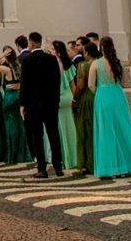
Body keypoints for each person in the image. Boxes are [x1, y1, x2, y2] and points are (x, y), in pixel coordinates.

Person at [88, 36, 131, 178]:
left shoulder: (96, 64)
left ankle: (109, 167)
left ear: (101, 48)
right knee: (122, 129)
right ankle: (126, 164)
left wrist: (99, 92)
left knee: (105, 131)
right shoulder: (117, 63)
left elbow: (90, 85)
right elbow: (122, 82)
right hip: (117, 95)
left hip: (103, 96)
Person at [16, 32, 65, 178]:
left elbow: (25, 84)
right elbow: (56, 82)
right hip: (50, 103)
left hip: (33, 105)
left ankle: (42, 168)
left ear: (31, 43)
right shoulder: (51, 59)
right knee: (53, 134)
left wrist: (22, 104)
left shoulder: (27, 61)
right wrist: (56, 101)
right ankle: (58, 166)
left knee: (37, 136)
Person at [72, 37, 98, 177]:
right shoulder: (100, 63)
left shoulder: (83, 65)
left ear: (86, 53)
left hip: (86, 99)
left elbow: (80, 86)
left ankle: (85, 162)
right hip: (98, 98)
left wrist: (75, 99)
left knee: (84, 131)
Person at [0, 46, 28, 164]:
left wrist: (2, 55)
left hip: (9, 96)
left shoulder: (6, 69)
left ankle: (12, 155)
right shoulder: (19, 67)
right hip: (19, 95)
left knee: (10, 126)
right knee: (20, 124)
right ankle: (22, 154)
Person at [53, 39, 78, 174]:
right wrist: (75, 100)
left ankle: (64, 158)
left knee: (60, 130)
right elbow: (73, 86)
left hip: (58, 98)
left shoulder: (53, 66)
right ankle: (74, 158)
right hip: (68, 97)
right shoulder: (69, 66)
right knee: (71, 129)